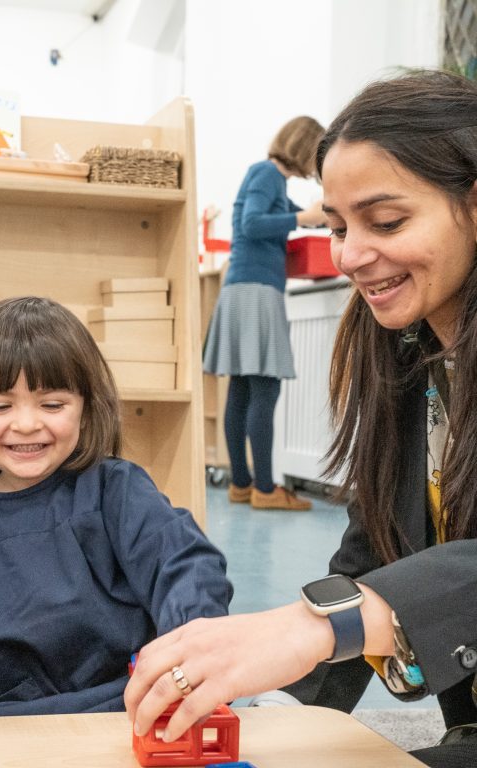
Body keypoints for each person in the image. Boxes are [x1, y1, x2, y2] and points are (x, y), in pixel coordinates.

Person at [124, 70, 477, 768]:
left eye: (387, 222)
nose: (347, 255)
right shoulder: (413, 355)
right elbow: (376, 548)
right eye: (340, 226)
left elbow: (368, 597)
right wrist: (284, 708)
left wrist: (328, 624)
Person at [0, 296, 232, 717]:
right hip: (9, 728)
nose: (26, 424)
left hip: (128, 710)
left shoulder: (115, 490)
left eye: (52, 404)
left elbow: (187, 568)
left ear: (86, 407)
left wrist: (184, 661)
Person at [203, 115, 327, 511]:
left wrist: (317, 218)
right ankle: (266, 488)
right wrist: (304, 218)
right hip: (256, 290)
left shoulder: (270, 180)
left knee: (242, 387)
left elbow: (280, 217)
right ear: (304, 148)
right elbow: (253, 223)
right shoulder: (267, 174)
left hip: (242, 288)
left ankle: (242, 484)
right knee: (265, 387)